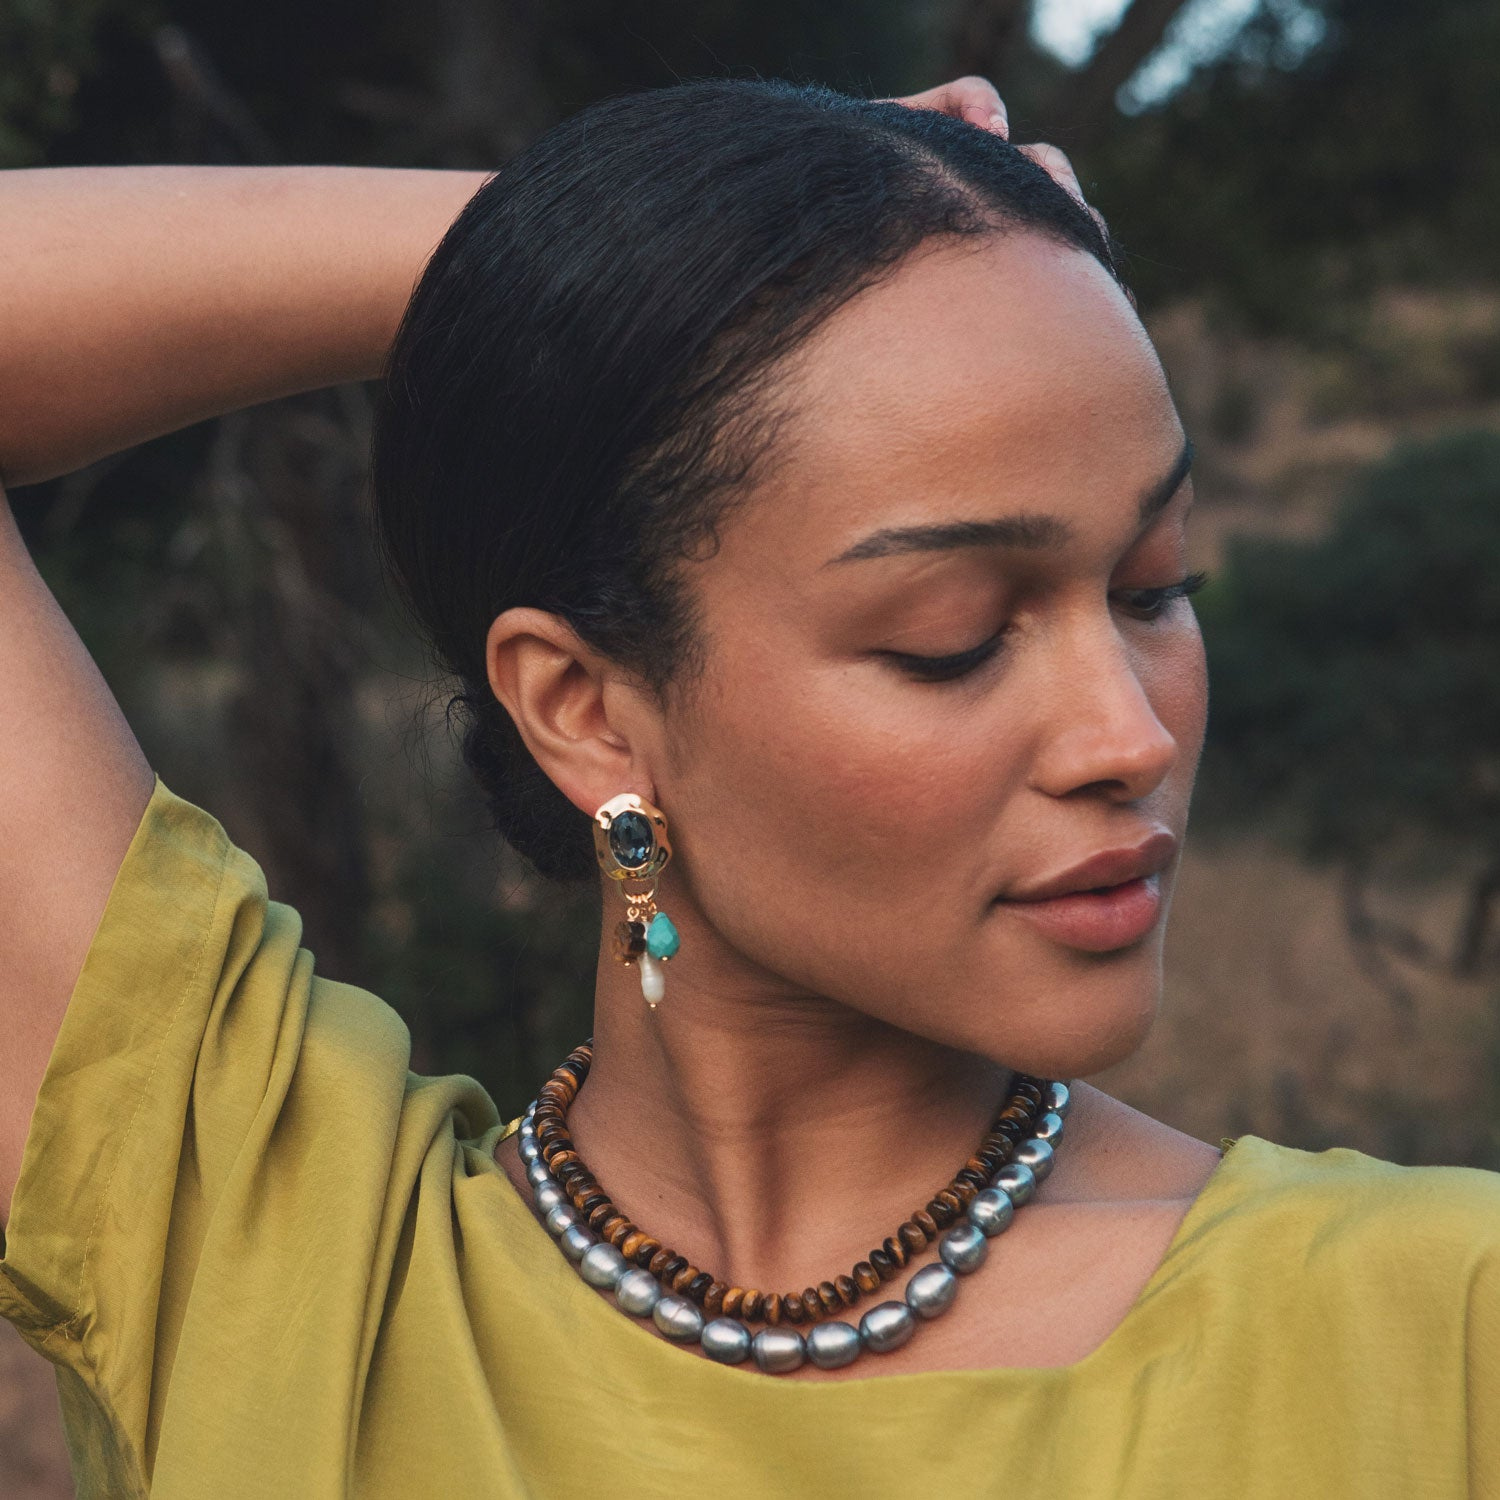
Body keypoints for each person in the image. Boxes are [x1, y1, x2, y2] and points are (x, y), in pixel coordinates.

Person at [0, 71, 1495, 1500]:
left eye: (1157, 588)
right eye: (952, 641)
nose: (1130, 736)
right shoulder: (265, 1266)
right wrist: (617, 250)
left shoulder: (1438, 1331)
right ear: (585, 711)